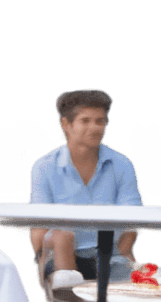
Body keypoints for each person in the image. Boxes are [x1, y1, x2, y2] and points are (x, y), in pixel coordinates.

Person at [28, 87, 143, 289]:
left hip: (110, 253)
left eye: (100, 121)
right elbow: (39, 229)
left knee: (145, 294)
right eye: (85, 121)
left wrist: (119, 257)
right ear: (66, 124)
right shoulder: (44, 167)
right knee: (63, 238)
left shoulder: (121, 164)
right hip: (61, 254)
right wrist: (46, 254)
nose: (95, 127)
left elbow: (132, 221)